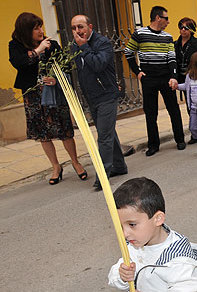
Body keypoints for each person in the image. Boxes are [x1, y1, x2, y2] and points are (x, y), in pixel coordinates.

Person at [8, 12, 87, 185]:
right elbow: (19, 63)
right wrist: (38, 51)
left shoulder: (52, 45)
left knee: (64, 129)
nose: (40, 31)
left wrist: (56, 79)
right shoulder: (15, 46)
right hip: (33, 95)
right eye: (36, 28)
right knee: (43, 133)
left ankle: (75, 162)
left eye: (40, 27)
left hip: (54, 93)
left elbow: (65, 65)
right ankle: (56, 166)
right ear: (26, 31)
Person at [70, 15, 128, 191]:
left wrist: (84, 47)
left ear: (90, 26)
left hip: (106, 95)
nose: (77, 31)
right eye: (73, 28)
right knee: (108, 131)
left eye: (80, 27)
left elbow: (98, 64)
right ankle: (119, 166)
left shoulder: (102, 43)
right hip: (91, 97)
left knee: (103, 137)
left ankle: (102, 176)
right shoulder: (75, 45)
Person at [125, 6, 185, 157]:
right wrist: (137, 72)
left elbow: (172, 58)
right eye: (166, 18)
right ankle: (153, 144)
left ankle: (180, 139)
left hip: (166, 77)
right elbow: (128, 52)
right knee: (150, 113)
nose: (168, 21)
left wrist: (173, 76)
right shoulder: (140, 34)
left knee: (174, 109)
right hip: (148, 78)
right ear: (158, 18)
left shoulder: (168, 37)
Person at [174, 17, 197, 145]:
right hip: (183, 78)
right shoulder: (176, 44)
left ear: (191, 30)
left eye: (186, 28)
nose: (183, 30)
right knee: (191, 105)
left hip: (196, 77)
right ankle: (196, 132)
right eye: (181, 27)